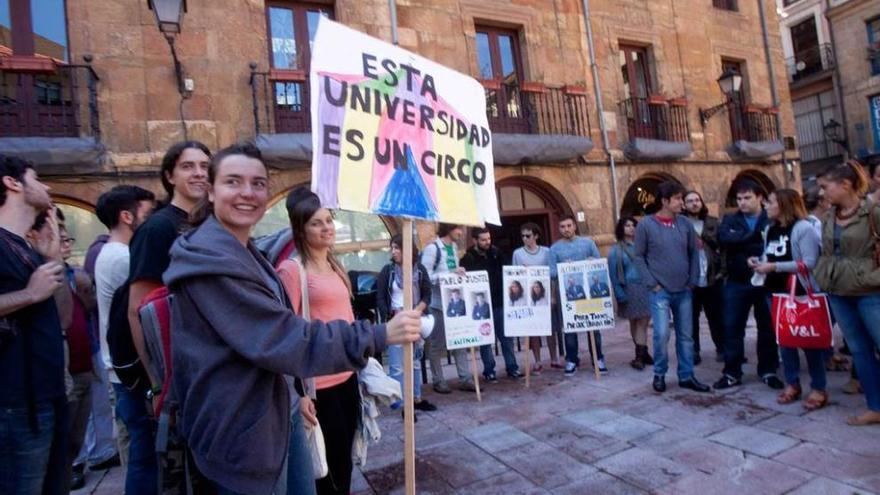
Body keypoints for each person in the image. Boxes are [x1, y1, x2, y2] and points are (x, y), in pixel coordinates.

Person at [164, 144, 421, 494]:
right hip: (241, 429)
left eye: (257, 183)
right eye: (233, 182)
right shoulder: (214, 261)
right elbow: (286, 336)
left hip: (275, 409)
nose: (247, 193)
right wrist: (377, 335)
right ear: (210, 191)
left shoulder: (244, 251)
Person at [277, 185, 384, 495]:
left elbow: (346, 320)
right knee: (323, 470)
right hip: (317, 386)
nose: (326, 227)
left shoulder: (336, 265)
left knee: (344, 461)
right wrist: (300, 393)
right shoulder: (292, 271)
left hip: (347, 377)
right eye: (316, 223)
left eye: (328, 220)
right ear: (300, 229)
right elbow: (286, 335)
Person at [0, 155, 70, 494]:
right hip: (15, 407)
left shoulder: (26, 249)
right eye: (37, 177)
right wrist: (28, 294)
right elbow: (33, 297)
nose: (47, 186)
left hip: (48, 396)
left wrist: (53, 260)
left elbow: (64, 317)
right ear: (12, 183)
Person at [93, 185, 156, 475]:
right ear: (128, 216)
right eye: (149, 213)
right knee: (142, 457)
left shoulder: (114, 252)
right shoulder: (123, 257)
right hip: (130, 374)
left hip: (122, 372)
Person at [814, 161, 880, 426]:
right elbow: (828, 252)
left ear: (845, 184)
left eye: (825, 187)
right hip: (838, 290)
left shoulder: (873, 212)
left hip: (870, 289)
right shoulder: (829, 216)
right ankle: (875, 406)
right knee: (859, 351)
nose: (821, 193)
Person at [749, 189, 827, 410]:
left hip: (801, 292)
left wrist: (774, 266)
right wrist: (759, 261)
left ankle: (818, 387)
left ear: (783, 204)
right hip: (775, 293)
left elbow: (809, 262)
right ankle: (793, 383)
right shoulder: (770, 228)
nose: (766, 205)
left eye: (771, 202)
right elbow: (771, 254)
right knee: (785, 340)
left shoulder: (803, 228)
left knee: (809, 341)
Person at [633, 181, 710, 393]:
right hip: (660, 291)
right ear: (665, 201)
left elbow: (694, 253)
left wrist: (693, 280)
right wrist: (652, 283)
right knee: (661, 334)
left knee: (686, 335)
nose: (681, 202)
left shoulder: (685, 224)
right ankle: (659, 374)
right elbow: (638, 257)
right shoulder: (646, 225)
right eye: (677, 199)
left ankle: (686, 375)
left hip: (684, 290)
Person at [713, 179, 784, 391]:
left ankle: (768, 370)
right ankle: (732, 372)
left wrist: (741, 241)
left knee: (767, 328)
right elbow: (724, 240)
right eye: (739, 198)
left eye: (747, 198)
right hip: (738, 281)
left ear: (760, 197)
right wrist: (750, 245)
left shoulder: (771, 219)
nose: (742, 203)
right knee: (732, 327)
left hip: (766, 282)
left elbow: (769, 244)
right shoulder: (730, 219)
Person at [376, 234, 437, 419]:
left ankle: (416, 398)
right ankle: (402, 404)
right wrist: (389, 314)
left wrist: (417, 311)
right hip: (396, 319)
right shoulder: (388, 271)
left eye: (397, 248)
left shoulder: (419, 271)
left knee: (416, 362)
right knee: (397, 365)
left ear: (407, 249)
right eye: (392, 248)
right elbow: (380, 296)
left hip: (415, 317)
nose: (393, 251)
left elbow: (427, 294)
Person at [460, 228, 521, 380]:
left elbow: (508, 272)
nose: (487, 242)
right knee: (485, 339)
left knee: (506, 338)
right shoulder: (468, 258)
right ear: (475, 240)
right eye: (483, 240)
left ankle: (512, 367)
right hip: (481, 304)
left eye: (488, 239)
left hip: (499, 302)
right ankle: (489, 370)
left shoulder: (497, 253)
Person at [420, 223, 475, 393]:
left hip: (455, 301)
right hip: (437, 304)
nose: (461, 232)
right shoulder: (432, 249)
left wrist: (458, 274)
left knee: (461, 339)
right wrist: (449, 275)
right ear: (449, 229)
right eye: (459, 229)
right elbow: (425, 276)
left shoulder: (453, 247)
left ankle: (465, 377)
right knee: (436, 344)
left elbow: (452, 271)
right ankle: (438, 380)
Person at [550, 214, 606, 375]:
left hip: (588, 295)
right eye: (562, 227)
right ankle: (572, 360)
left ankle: (598, 358)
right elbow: (552, 272)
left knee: (593, 327)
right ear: (559, 229)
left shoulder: (588, 243)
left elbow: (598, 261)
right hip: (567, 296)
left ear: (574, 226)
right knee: (569, 329)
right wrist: (563, 267)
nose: (566, 229)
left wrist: (591, 261)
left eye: (568, 226)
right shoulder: (555, 248)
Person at [683, 190, 725, 364]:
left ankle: (722, 348)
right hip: (690, 279)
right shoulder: (681, 224)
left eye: (697, 200)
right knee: (691, 318)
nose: (694, 203)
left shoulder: (713, 222)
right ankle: (694, 351)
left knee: (716, 316)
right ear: (684, 205)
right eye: (690, 201)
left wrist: (722, 271)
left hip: (712, 276)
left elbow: (723, 248)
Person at [608, 216, 653, 370]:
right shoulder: (615, 250)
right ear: (621, 228)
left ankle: (642, 353)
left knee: (643, 321)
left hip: (646, 286)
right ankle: (641, 355)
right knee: (635, 321)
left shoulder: (643, 245)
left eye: (633, 225)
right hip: (629, 288)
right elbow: (613, 275)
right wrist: (619, 293)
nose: (631, 228)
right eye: (627, 225)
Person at [513, 222, 556, 372]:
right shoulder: (517, 253)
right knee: (534, 330)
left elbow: (552, 275)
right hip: (529, 295)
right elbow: (514, 276)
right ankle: (537, 360)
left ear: (536, 236)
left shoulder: (546, 251)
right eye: (523, 236)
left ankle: (554, 358)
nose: (525, 238)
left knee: (550, 329)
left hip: (545, 293)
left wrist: (552, 296)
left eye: (528, 236)